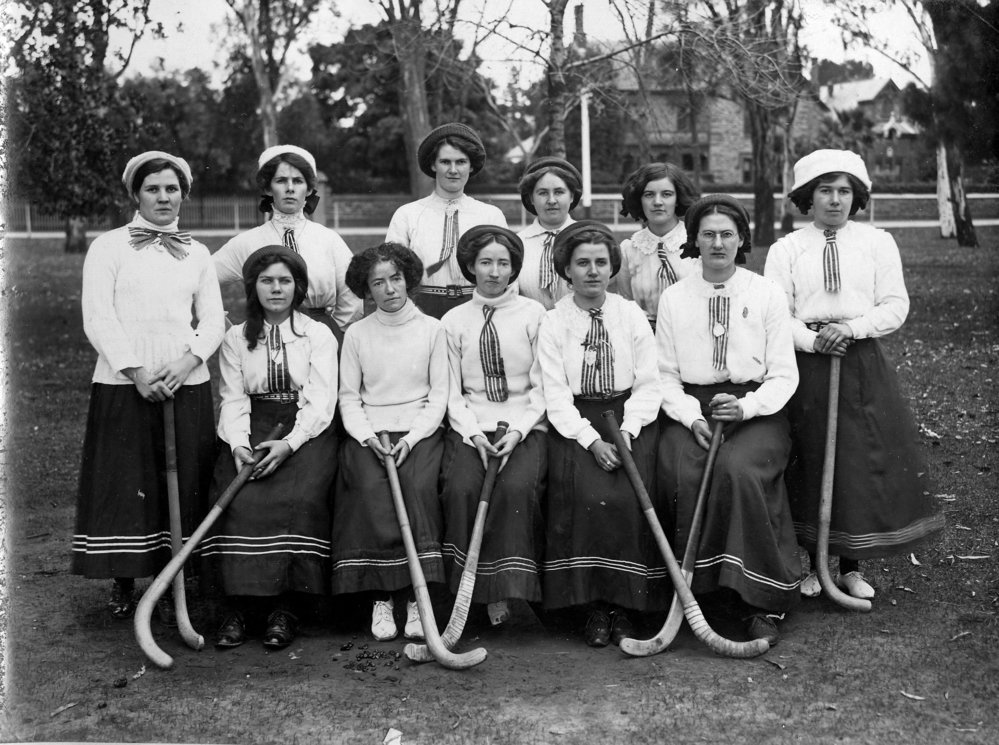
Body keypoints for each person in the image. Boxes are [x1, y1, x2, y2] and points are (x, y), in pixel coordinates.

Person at [765, 149, 943, 601]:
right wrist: (813, 340)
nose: (835, 200)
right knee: (807, 456)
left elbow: (895, 305)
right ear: (808, 196)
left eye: (845, 191)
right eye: (825, 190)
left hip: (861, 360)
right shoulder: (788, 249)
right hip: (805, 362)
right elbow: (775, 314)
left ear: (856, 197)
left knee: (854, 460)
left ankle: (850, 566)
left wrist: (852, 328)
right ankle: (810, 564)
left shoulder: (877, 242)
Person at [73, 151, 225, 620]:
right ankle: (124, 577)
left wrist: (187, 361)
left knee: (189, 478)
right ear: (136, 195)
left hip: (185, 382)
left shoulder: (197, 252)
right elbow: (98, 316)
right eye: (154, 189)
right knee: (126, 480)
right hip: (125, 382)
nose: (164, 197)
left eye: (172, 188)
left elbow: (214, 318)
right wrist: (136, 371)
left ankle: (184, 572)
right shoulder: (108, 247)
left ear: (184, 194)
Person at [656, 194, 800, 646]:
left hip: (756, 407)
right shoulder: (675, 297)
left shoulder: (766, 292)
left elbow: (783, 375)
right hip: (691, 410)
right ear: (694, 241)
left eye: (727, 234)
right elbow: (663, 376)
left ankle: (760, 600)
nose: (717, 243)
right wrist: (687, 415)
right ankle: (696, 592)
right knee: (683, 468)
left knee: (738, 470)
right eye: (708, 235)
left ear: (742, 240)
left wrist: (747, 407)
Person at [536, 220, 667, 647]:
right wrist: (590, 439)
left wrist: (627, 432)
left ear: (613, 269)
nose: (592, 271)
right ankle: (591, 606)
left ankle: (626, 607)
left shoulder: (629, 314)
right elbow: (554, 394)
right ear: (566, 269)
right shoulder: (554, 322)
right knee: (586, 494)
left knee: (630, 493)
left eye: (601, 263)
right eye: (582, 263)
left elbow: (650, 381)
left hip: (630, 416)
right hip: (577, 423)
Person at [200, 246, 338, 650]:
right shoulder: (236, 337)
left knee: (300, 497)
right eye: (267, 281)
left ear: (297, 287)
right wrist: (239, 446)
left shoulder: (316, 334)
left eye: (284, 281)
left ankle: (286, 609)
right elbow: (233, 398)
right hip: (252, 427)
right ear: (252, 287)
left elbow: (320, 400)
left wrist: (288, 444)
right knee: (235, 497)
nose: (276, 289)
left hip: (306, 430)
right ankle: (238, 610)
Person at [331, 243, 449, 641]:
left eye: (395, 278)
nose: (389, 289)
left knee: (416, 487)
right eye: (377, 282)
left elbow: (439, 396)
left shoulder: (434, 330)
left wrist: (412, 438)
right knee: (368, 488)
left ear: (409, 280)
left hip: (419, 432)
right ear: (366, 289)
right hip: (369, 433)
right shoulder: (357, 334)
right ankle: (382, 596)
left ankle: (417, 599)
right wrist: (366, 437)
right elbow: (348, 396)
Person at [439, 226, 548, 627]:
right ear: (470, 266)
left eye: (504, 263)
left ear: (514, 268)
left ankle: (508, 588)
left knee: (517, 488)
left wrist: (518, 431)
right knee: (461, 488)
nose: (495, 272)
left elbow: (542, 387)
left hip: (525, 425)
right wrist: (473, 434)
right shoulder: (453, 321)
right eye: (485, 262)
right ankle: (472, 594)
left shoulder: (534, 315)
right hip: (472, 427)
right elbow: (450, 392)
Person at [212, 145, 362, 346]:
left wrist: (330, 335)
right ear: (267, 188)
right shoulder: (247, 242)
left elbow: (352, 297)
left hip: (322, 340)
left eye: (298, 181)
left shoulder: (328, 239)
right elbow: (201, 279)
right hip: (266, 339)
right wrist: (223, 326)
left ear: (309, 189)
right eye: (281, 180)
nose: (290, 188)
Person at [386, 122, 508, 318]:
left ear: (471, 166)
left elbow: (506, 270)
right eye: (445, 162)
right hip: (421, 309)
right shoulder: (408, 214)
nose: (453, 170)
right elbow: (392, 271)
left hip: (477, 307)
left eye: (461, 162)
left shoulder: (490, 215)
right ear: (433, 164)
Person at [616, 162, 700, 329]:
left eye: (667, 194)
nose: (657, 202)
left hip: (691, 333)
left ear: (678, 199)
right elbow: (626, 302)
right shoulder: (629, 249)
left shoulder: (697, 243)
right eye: (648, 195)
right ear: (639, 199)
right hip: (645, 336)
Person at [515, 157, 581, 309]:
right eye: (543, 193)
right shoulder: (518, 243)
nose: (551, 200)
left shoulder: (586, 239)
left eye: (559, 192)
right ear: (531, 198)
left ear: (571, 196)